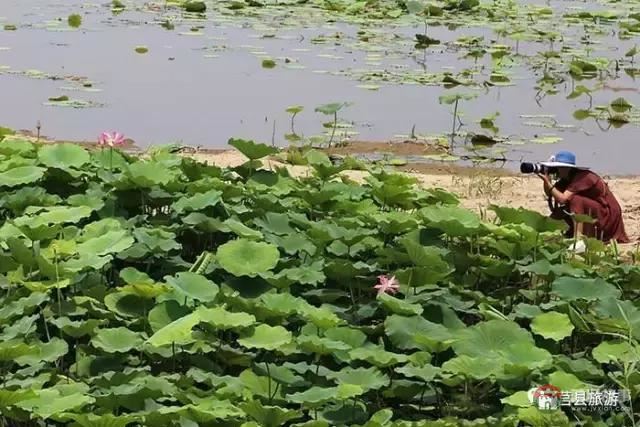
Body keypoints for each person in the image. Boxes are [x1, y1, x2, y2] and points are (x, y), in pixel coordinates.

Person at [537, 151, 629, 246]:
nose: (556, 170)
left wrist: (548, 183)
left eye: (558, 168)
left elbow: (562, 199)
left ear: (567, 168)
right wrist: (546, 180)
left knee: (576, 200)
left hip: (606, 215)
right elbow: (550, 193)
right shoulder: (567, 178)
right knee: (558, 213)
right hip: (592, 212)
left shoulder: (584, 177)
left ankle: (578, 238)